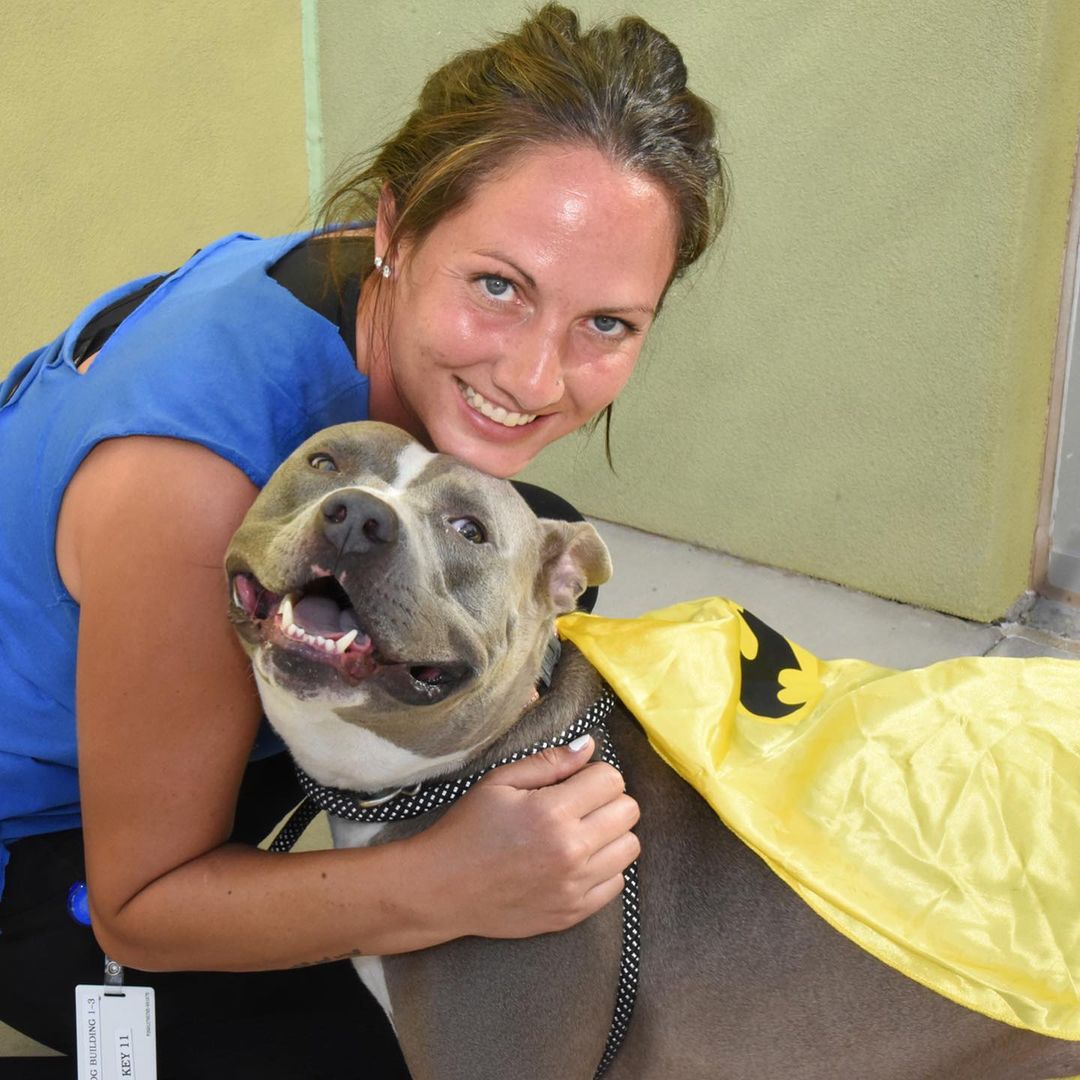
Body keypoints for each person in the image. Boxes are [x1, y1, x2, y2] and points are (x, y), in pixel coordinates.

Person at [0, 4, 726, 1076]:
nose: (534, 378)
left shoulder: (376, 300)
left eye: (605, 324)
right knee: (400, 1052)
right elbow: (142, 910)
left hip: (165, 721)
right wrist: (443, 882)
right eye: (499, 286)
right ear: (395, 227)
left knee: (512, 554)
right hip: (46, 842)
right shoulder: (196, 481)